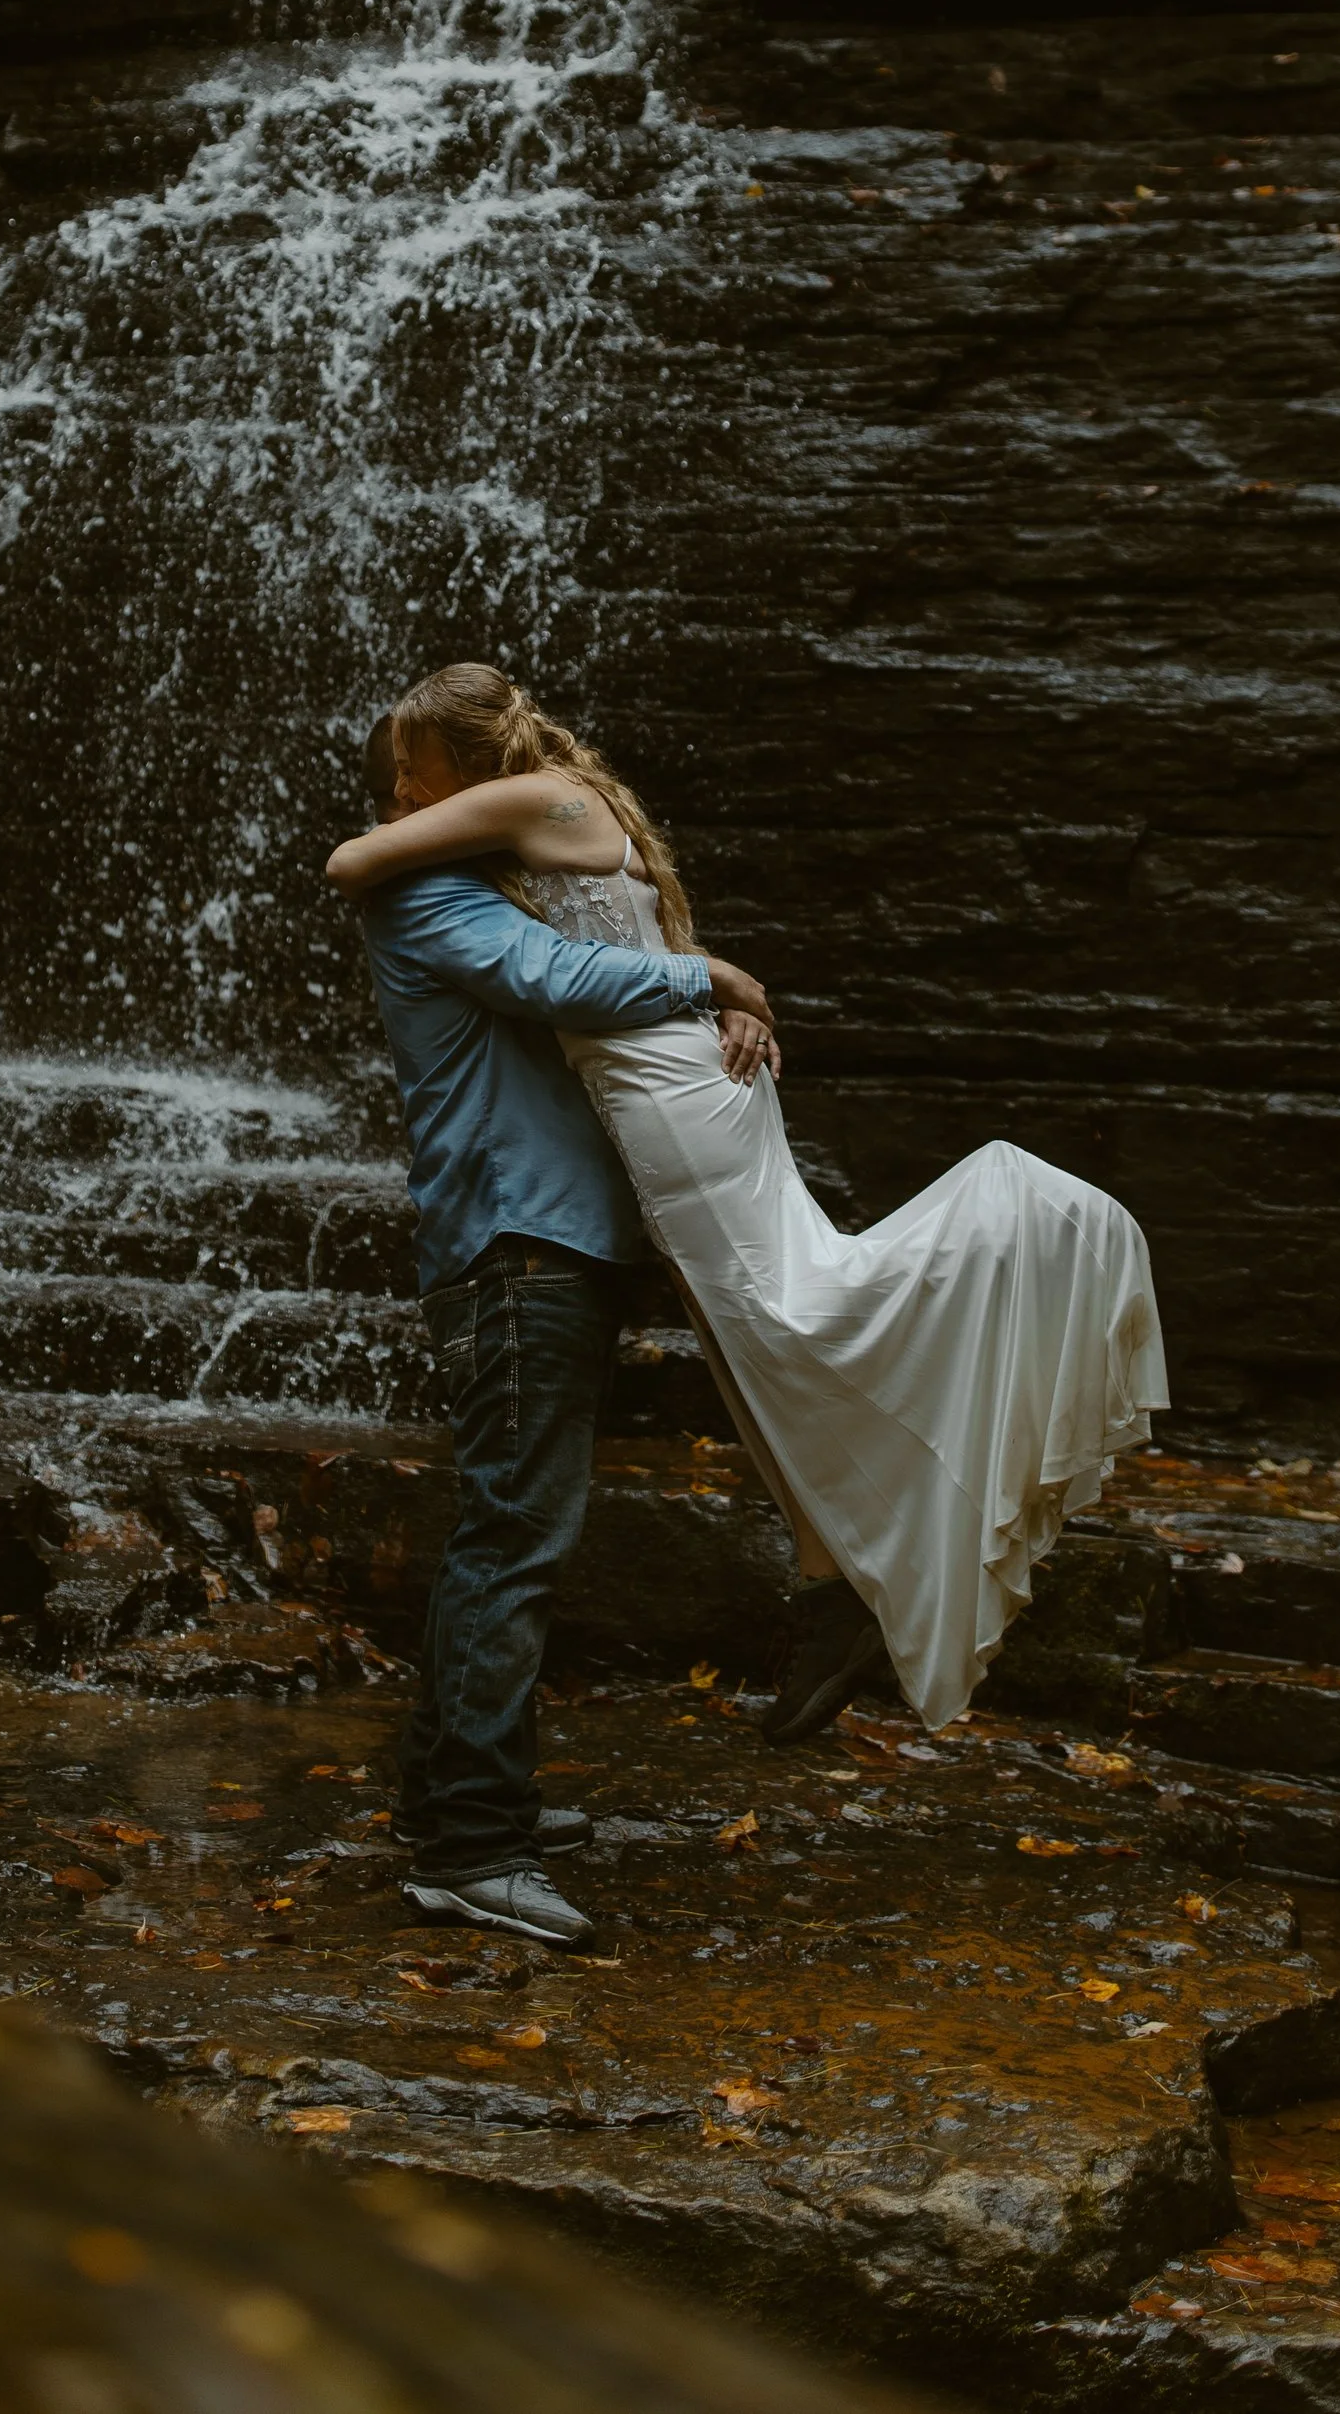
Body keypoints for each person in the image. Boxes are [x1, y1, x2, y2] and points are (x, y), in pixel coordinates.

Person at [329, 663, 1169, 1755]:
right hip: (665, 1084)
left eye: (410, 773)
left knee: (786, 1312)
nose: (397, 797)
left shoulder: (531, 797)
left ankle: (1025, 1220)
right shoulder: (557, 810)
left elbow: (355, 864)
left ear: (466, 757)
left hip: (665, 1091)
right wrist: (709, 979)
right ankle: (829, 1583)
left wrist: (711, 981)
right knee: (743, 1330)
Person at [333, 711, 779, 1952]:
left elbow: (595, 980)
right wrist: (712, 977)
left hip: (552, 1244)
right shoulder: (428, 894)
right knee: (514, 1540)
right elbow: (556, 984)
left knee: (508, 1530)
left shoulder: (490, 891)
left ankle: (451, 1801)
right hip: (516, 1251)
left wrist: (714, 1017)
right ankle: (472, 1847)